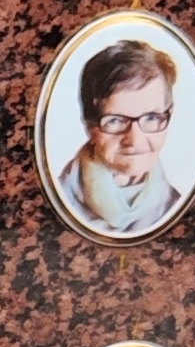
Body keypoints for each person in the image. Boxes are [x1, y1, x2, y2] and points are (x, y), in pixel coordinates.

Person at [56, 36, 186, 234]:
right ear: (90, 126)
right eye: (115, 121)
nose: (134, 140)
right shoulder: (58, 200)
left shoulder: (175, 207)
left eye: (151, 118)